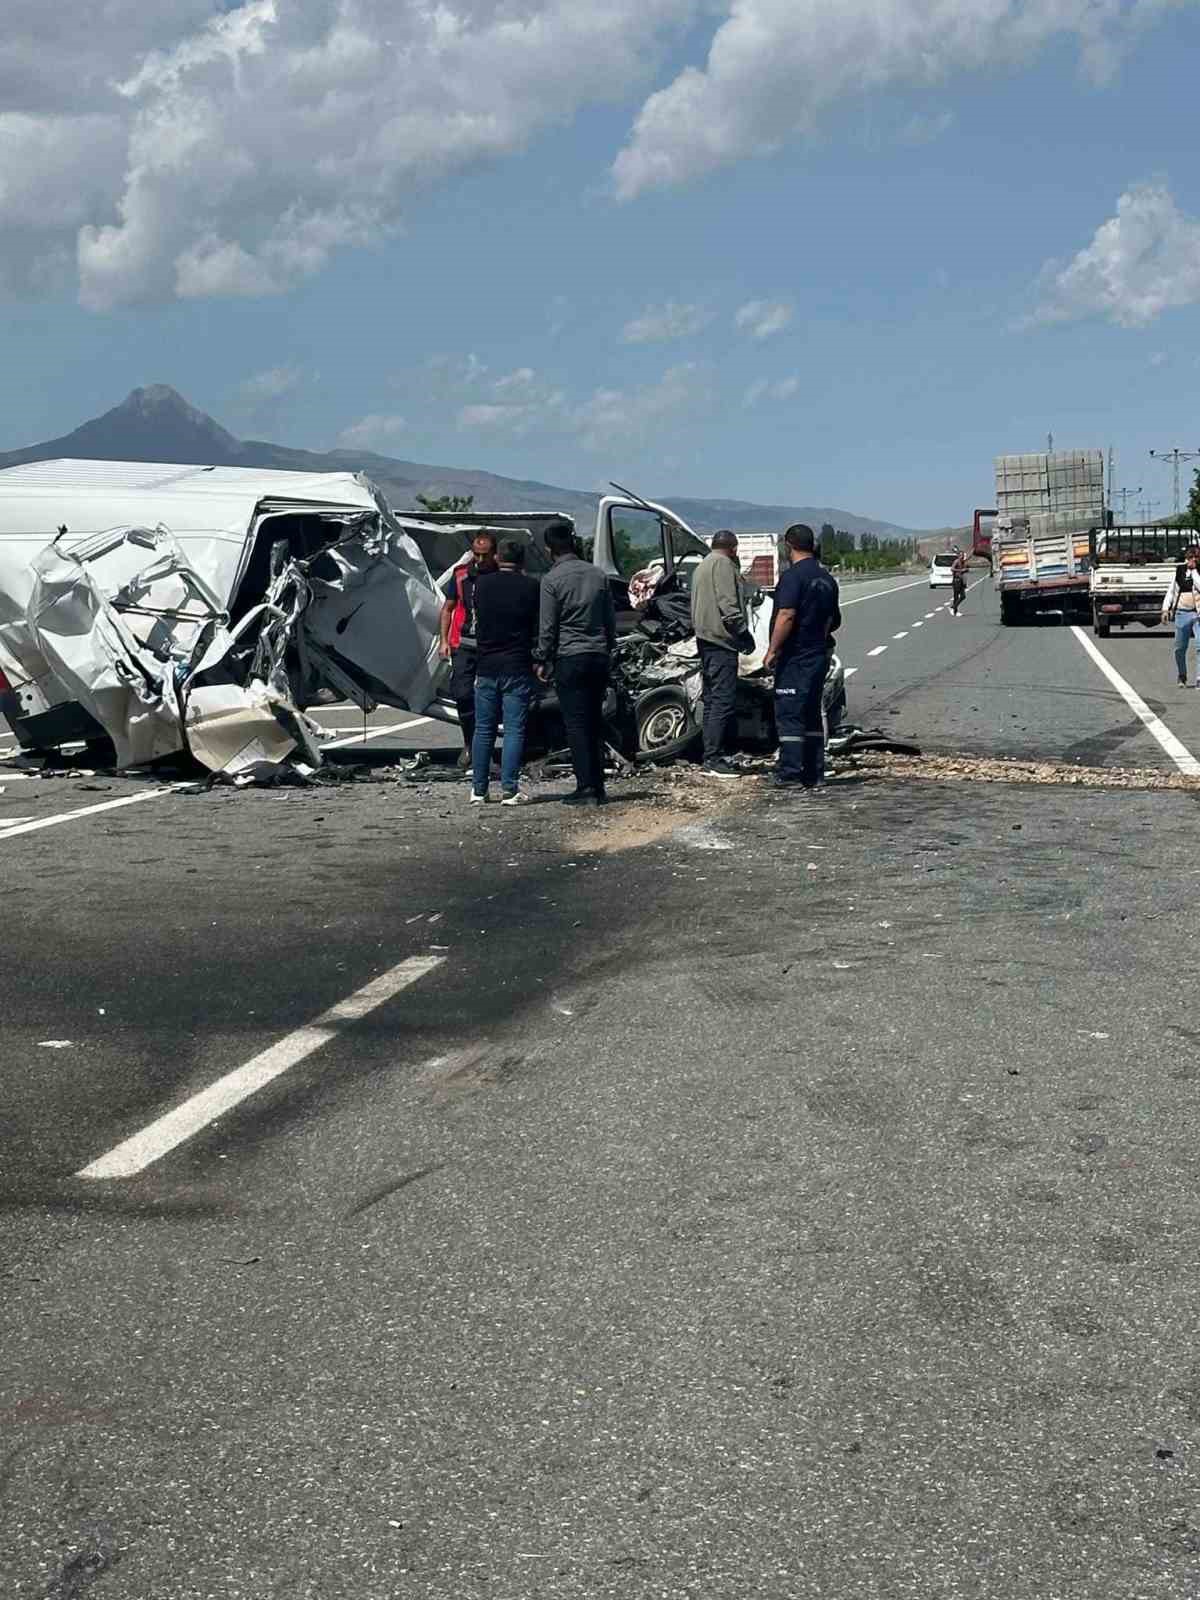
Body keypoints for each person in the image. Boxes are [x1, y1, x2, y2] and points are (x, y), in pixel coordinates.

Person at [536, 518, 617, 807]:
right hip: (598, 655)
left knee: (576, 724)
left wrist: (542, 658)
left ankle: (586, 788)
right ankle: (599, 786)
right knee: (595, 721)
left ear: (549, 550)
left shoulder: (551, 580)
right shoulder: (598, 575)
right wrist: (608, 649)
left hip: (570, 657)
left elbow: (548, 626)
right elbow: (609, 620)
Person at [764, 524, 841, 794]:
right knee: (811, 714)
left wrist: (773, 650)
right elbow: (832, 620)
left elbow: (786, 615)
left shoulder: (792, 578)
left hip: (795, 657)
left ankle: (790, 774)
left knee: (790, 714)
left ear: (789, 546)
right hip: (818, 655)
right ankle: (814, 774)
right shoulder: (827, 579)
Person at [469, 541, 541, 806]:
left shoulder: (482, 584)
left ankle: (478, 790)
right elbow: (536, 624)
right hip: (517, 664)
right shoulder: (531, 586)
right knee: (513, 730)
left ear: (498, 558)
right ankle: (509, 789)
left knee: (483, 729)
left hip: (486, 664)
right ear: (522, 561)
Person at [691, 529, 754, 779]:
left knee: (711, 700)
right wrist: (743, 633)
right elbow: (728, 604)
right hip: (721, 642)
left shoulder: (702, 566)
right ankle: (714, 758)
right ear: (734, 548)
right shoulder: (724, 565)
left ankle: (711, 753)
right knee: (723, 700)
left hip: (704, 640)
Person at [439, 531, 498, 770]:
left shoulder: (499, 575)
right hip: (463, 643)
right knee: (462, 694)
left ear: (494, 554)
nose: (480, 560)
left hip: (491, 645)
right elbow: (448, 608)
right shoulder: (461, 574)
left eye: (485, 555)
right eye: (476, 554)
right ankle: (468, 743)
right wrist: (443, 641)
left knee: (490, 697)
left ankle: (485, 748)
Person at [1163, 544, 1200, 687]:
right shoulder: (1179, 570)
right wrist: (1165, 609)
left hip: (1197, 613)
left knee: (1199, 646)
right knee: (1180, 648)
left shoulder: (1198, 571)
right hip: (1182, 612)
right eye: (1191, 557)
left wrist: (1194, 572)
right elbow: (1171, 591)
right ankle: (1182, 675)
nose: (1193, 559)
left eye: (1196, 557)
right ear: (1186, 557)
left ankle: (1199, 678)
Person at [950, 547, 969, 617]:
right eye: (961, 555)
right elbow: (952, 569)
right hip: (956, 581)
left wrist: (966, 570)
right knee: (956, 597)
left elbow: (965, 570)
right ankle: (955, 611)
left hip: (961, 581)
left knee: (963, 596)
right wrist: (960, 570)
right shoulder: (956, 561)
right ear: (958, 555)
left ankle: (953, 606)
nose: (962, 556)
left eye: (963, 555)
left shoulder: (963, 562)